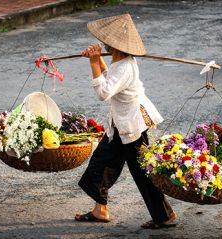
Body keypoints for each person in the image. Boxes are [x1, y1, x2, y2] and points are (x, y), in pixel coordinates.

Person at [74, 13, 176, 229]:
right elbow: (110, 75)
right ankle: (100, 209)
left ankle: (164, 216)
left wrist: (93, 63)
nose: (104, 45)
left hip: (131, 125)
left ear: (116, 45)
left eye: (107, 43)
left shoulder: (125, 67)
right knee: (101, 163)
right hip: (120, 124)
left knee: (142, 172)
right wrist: (98, 61)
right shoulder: (121, 61)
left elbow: (104, 93)